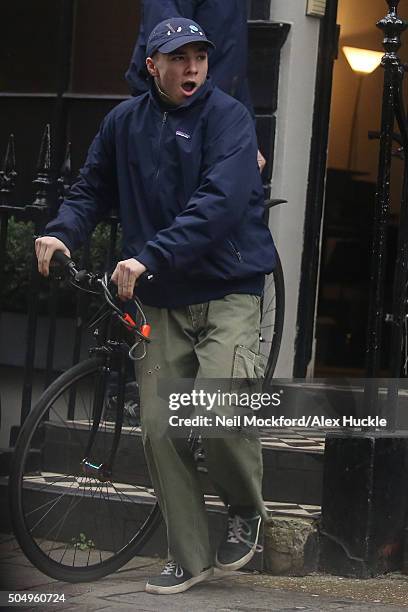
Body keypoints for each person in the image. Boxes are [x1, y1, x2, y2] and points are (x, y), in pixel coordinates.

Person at [35, 17, 276, 595]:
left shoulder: (230, 119)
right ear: (153, 65)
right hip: (162, 299)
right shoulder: (124, 123)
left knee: (217, 411)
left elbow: (219, 203)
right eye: (179, 58)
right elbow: (90, 189)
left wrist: (151, 255)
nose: (193, 67)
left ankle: (245, 510)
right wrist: (63, 231)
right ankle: (190, 557)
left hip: (228, 289)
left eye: (200, 56)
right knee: (160, 428)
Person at [126, 0, 266, 171]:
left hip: (216, 121)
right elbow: (168, 53)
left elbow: (233, 65)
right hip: (182, 124)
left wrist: (246, 134)